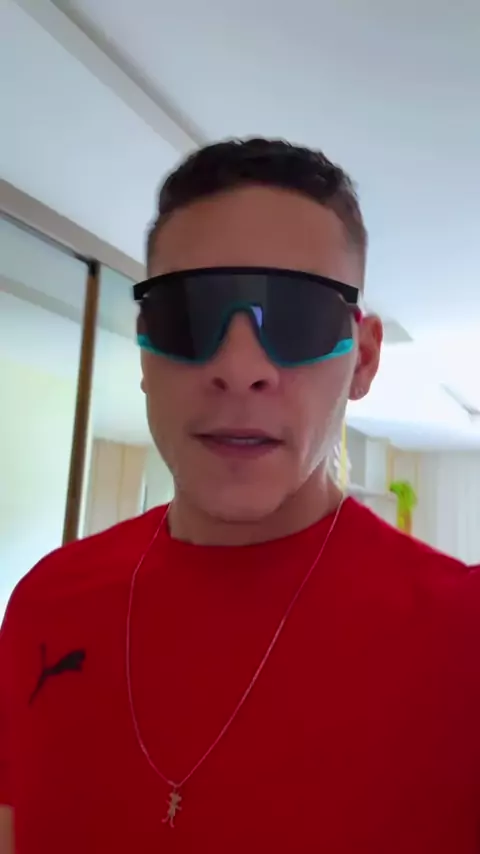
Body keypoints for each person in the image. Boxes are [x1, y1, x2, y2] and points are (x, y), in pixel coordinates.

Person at [1, 138, 479, 854]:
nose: (240, 367)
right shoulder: (45, 601)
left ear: (363, 359)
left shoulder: (463, 639)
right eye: (188, 315)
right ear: (145, 349)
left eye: (299, 316)